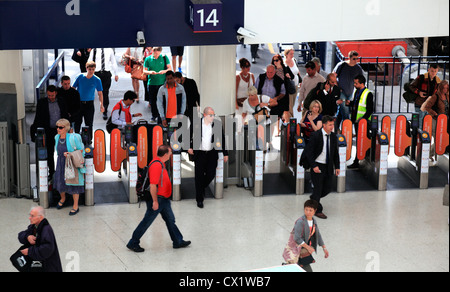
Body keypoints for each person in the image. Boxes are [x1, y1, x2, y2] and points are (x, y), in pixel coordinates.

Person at [127, 145, 191, 252]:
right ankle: (133, 242)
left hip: (164, 199)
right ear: (165, 154)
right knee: (146, 221)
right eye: (170, 153)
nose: (171, 155)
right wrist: (155, 201)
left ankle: (178, 241)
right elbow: (153, 185)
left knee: (170, 220)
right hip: (158, 199)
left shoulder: (160, 163)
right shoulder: (156, 165)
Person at [300, 115, 340, 219]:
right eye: (330, 125)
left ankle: (313, 199)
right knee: (318, 188)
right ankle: (318, 209)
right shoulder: (316, 135)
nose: (332, 127)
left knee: (327, 188)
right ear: (324, 125)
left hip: (328, 166)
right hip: (318, 165)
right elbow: (309, 152)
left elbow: (335, 153)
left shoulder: (333, 136)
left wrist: (337, 167)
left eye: (333, 125)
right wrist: (314, 166)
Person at [188, 107, 229, 208]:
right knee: (199, 176)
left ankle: (201, 189)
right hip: (200, 153)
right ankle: (199, 199)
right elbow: (187, 135)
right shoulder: (196, 123)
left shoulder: (217, 124)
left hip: (212, 153)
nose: (213, 117)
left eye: (214, 115)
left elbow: (222, 138)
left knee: (211, 173)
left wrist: (225, 153)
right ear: (205, 115)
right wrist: (188, 147)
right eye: (211, 115)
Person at [30, 85, 69, 180]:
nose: (50, 97)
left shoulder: (61, 101)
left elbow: (65, 115)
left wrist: (68, 128)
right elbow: (38, 117)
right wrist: (34, 130)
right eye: (49, 95)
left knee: (63, 152)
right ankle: (52, 173)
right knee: (50, 152)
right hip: (49, 131)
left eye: (52, 95)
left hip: (61, 131)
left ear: (55, 93)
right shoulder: (42, 103)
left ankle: (64, 173)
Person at [53, 118, 86, 216]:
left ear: (66, 128)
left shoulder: (73, 138)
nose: (58, 129)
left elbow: (81, 150)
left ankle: (75, 206)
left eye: (60, 127)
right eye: (57, 127)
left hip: (71, 162)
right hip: (61, 163)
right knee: (60, 182)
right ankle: (63, 198)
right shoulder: (56, 137)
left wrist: (70, 154)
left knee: (74, 183)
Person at [18, 206, 63, 272]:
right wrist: (27, 237)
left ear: (41, 217)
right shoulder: (34, 226)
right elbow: (20, 235)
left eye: (32, 216)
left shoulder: (46, 230)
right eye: (30, 215)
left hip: (48, 267)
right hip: (40, 265)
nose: (29, 218)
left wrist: (29, 251)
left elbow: (47, 250)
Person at [292, 200, 329, 272]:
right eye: (306, 210)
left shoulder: (313, 221)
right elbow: (297, 238)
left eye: (310, 210)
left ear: (315, 211)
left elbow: (318, 234)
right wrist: (308, 248)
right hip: (298, 250)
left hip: (303, 251)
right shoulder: (300, 222)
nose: (308, 212)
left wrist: (324, 248)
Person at [72, 61, 104, 141]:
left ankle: (88, 139)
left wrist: (101, 105)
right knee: (77, 122)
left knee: (89, 123)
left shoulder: (97, 80)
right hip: (79, 104)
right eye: (90, 69)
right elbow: (73, 88)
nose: (91, 71)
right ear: (86, 68)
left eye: (93, 69)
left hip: (89, 104)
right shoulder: (80, 77)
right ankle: (76, 138)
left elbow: (100, 93)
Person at [347, 75, 374, 169]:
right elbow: (356, 104)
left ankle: (358, 160)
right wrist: (349, 103)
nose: (354, 85)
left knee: (361, 141)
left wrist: (363, 119)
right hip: (356, 121)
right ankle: (359, 159)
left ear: (362, 84)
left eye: (356, 83)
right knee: (359, 141)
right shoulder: (357, 91)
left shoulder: (368, 94)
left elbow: (370, 109)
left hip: (364, 123)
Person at [333, 50, 364, 128]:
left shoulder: (358, 68)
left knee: (341, 112)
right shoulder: (341, 65)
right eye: (354, 59)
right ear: (349, 58)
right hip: (341, 92)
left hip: (351, 92)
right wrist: (337, 87)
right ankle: (348, 129)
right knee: (346, 112)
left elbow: (361, 80)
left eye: (357, 59)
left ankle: (335, 129)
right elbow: (333, 76)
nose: (356, 61)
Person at [421, 80, 449, 161]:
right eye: (444, 88)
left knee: (441, 139)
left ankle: (433, 155)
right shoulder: (435, 96)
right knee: (438, 139)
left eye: (447, 88)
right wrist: (435, 114)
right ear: (440, 88)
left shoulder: (447, 96)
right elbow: (427, 107)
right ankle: (431, 155)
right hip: (435, 120)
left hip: (444, 121)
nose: (445, 90)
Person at [88, 48, 119, 120]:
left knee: (105, 92)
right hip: (97, 73)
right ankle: (92, 109)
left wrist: (116, 74)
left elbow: (113, 62)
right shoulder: (94, 50)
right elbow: (89, 61)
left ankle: (104, 109)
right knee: (97, 92)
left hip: (106, 73)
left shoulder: (109, 50)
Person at [143, 47, 172, 122]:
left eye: (158, 53)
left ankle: (161, 116)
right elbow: (144, 71)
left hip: (162, 84)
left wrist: (164, 71)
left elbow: (170, 69)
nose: (157, 55)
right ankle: (154, 115)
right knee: (153, 101)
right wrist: (151, 72)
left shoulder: (164, 58)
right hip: (152, 83)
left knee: (161, 100)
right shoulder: (148, 59)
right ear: (152, 51)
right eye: (155, 53)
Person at [410, 63, 441, 129]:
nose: (433, 73)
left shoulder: (438, 81)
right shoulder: (422, 77)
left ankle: (423, 136)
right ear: (428, 70)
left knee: (426, 121)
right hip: (420, 103)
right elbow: (411, 86)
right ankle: (418, 136)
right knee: (420, 121)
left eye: (435, 71)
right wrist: (419, 92)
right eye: (432, 71)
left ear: (437, 71)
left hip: (429, 105)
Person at [284, 48, 301, 116]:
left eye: (293, 53)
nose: (292, 55)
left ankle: (286, 117)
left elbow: (297, 71)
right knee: (290, 105)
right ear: (286, 54)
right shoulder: (284, 64)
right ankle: (291, 121)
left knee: (293, 104)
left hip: (296, 85)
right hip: (289, 86)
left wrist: (301, 81)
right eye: (291, 54)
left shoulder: (293, 60)